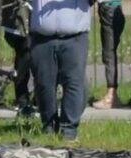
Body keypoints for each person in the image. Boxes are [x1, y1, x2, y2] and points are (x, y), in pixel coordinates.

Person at [30, 0, 91, 140]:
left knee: (74, 83)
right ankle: (49, 127)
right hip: (41, 37)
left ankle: (69, 130)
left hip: (75, 37)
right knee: (43, 84)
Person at [1, 0, 34, 115]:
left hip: (34, 22)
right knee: (23, 62)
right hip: (18, 24)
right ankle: (23, 104)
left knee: (33, 61)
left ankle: (37, 99)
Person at [93, 0, 124, 109]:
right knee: (110, 53)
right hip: (114, 8)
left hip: (108, 9)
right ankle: (113, 94)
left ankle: (111, 96)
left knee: (109, 53)